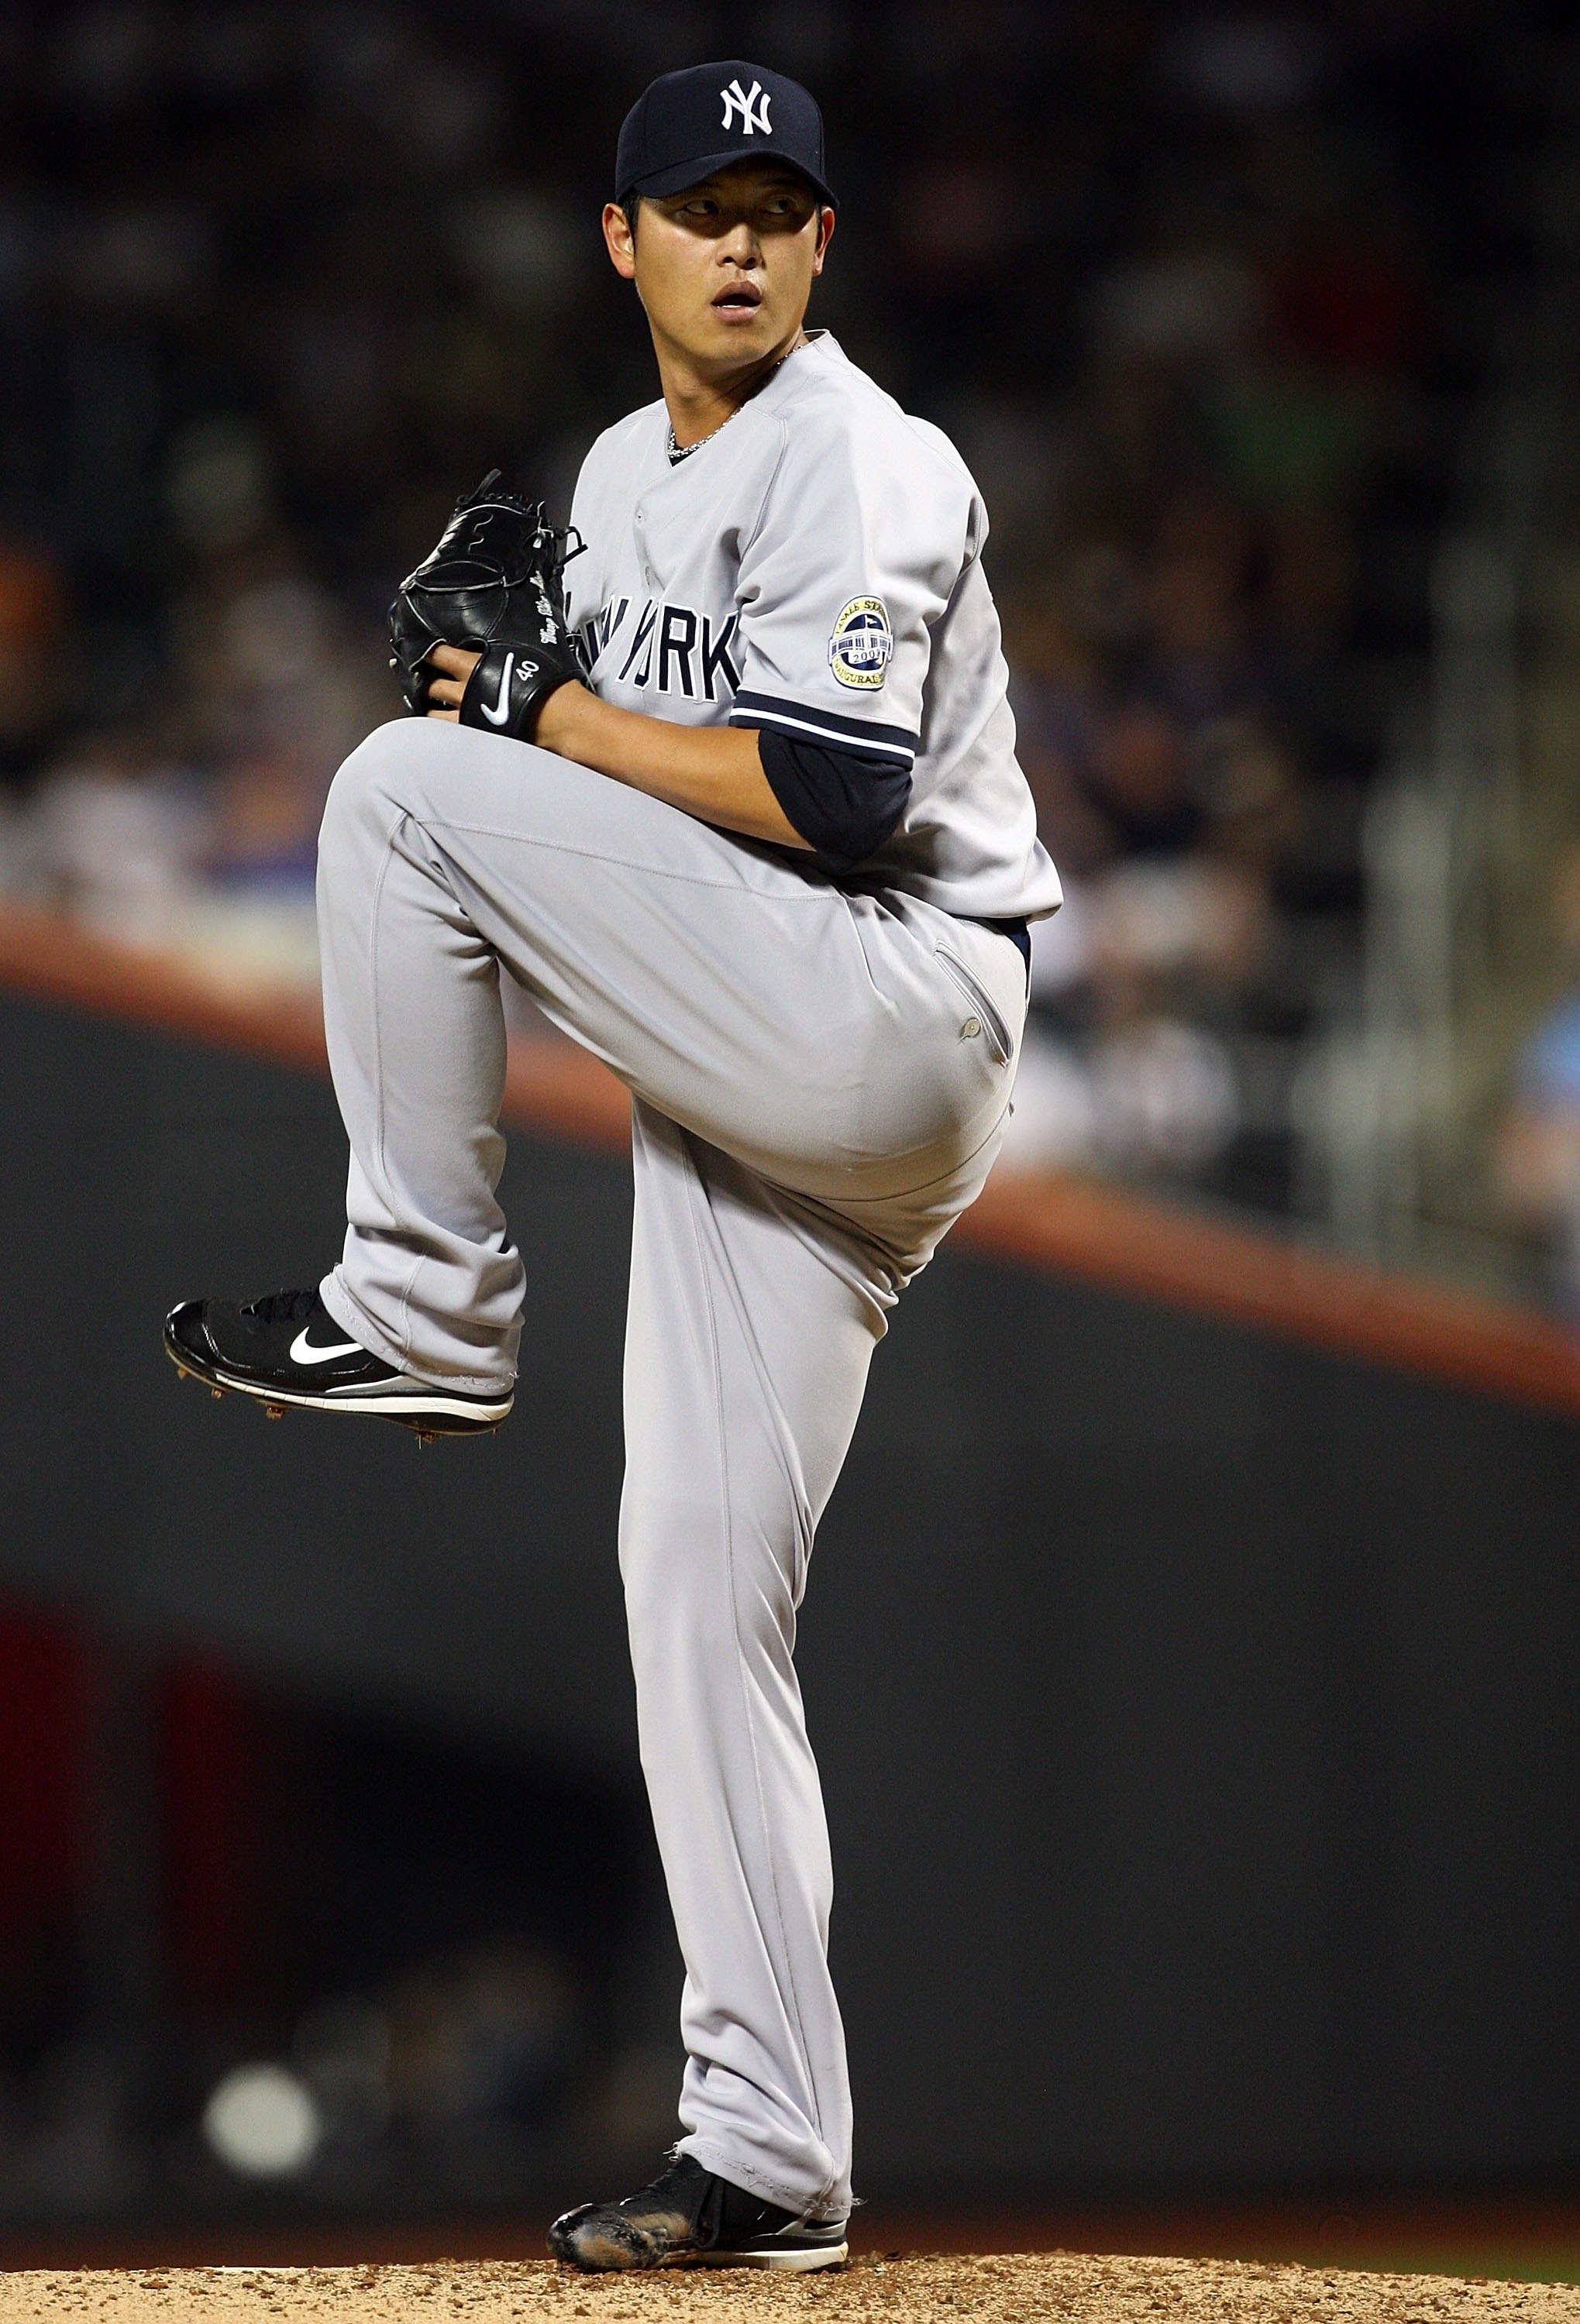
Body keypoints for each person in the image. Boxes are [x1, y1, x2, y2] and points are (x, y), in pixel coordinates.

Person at [164, 60, 1059, 2271]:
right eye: (700, 205)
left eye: (780, 206)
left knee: (394, 790)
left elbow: (844, 791)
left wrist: (528, 716)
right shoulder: (609, 474)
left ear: (825, 246)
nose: (740, 239)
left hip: (884, 996)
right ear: (622, 240)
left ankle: (420, 1310)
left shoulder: (868, 454)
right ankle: (772, 2152)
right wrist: (550, 730)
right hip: (754, 1047)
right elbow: (649, 810)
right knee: (695, 1589)